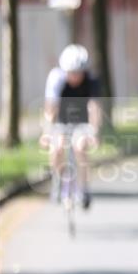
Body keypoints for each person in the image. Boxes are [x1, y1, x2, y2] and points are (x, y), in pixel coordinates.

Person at [43, 44, 101, 209]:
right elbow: (50, 108)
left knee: (80, 147)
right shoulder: (56, 79)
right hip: (61, 121)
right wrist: (46, 132)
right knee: (57, 148)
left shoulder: (91, 81)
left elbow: (94, 107)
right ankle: (58, 181)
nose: (75, 77)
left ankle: (84, 188)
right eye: (71, 73)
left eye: (78, 73)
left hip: (82, 122)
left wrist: (94, 132)